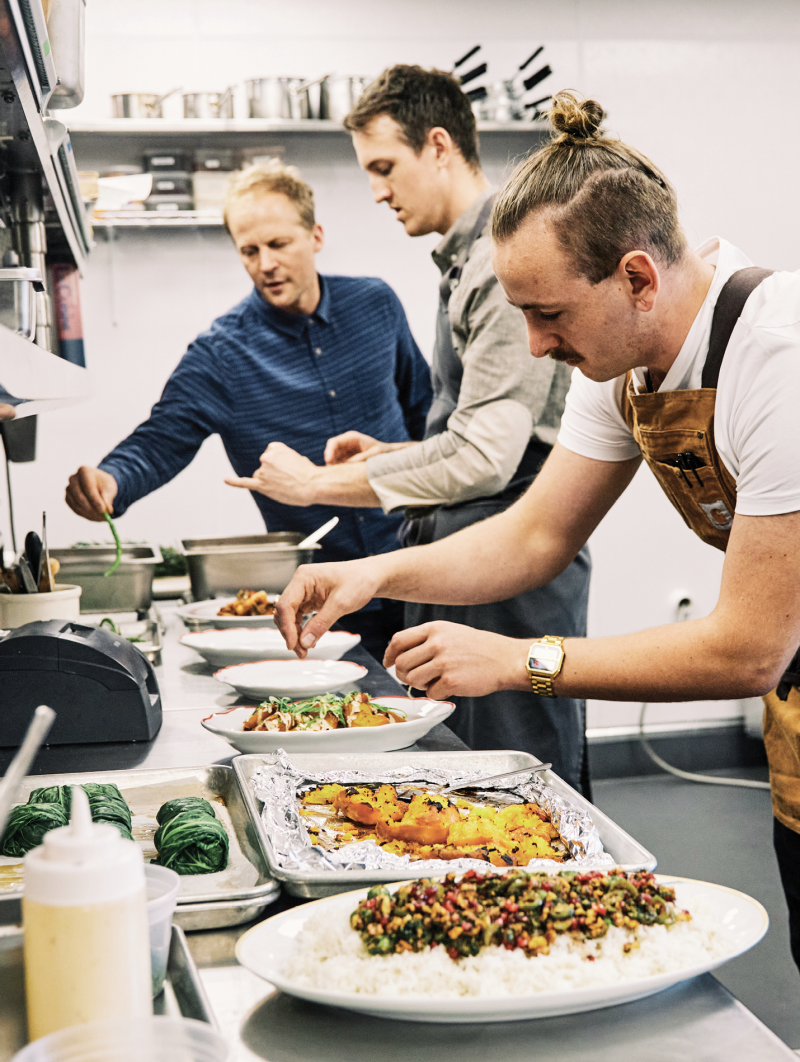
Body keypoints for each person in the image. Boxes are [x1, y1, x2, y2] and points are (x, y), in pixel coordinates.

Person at [273, 90, 800, 970]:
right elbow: (532, 538)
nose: (534, 344)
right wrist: (377, 575)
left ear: (637, 277)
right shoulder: (626, 365)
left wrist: (520, 661)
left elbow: (750, 649)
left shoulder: (777, 356)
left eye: (548, 314)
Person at [227, 67, 591, 794]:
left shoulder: (496, 258)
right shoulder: (461, 259)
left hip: (506, 570)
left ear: (438, 146)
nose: (378, 191)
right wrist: (393, 454)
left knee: (521, 786)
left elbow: (488, 458)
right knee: (466, 787)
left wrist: (316, 484)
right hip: (465, 559)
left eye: (385, 167)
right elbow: (479, 425)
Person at [65, 161, 432, 659]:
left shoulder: (376, 304)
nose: (266, 264)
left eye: (279, 245)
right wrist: (111, 480)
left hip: (418, 572)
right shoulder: (221, 352)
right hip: (318, 597)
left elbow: (425, 415)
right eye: (249, 251)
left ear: (315, 235)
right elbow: (161, 439)